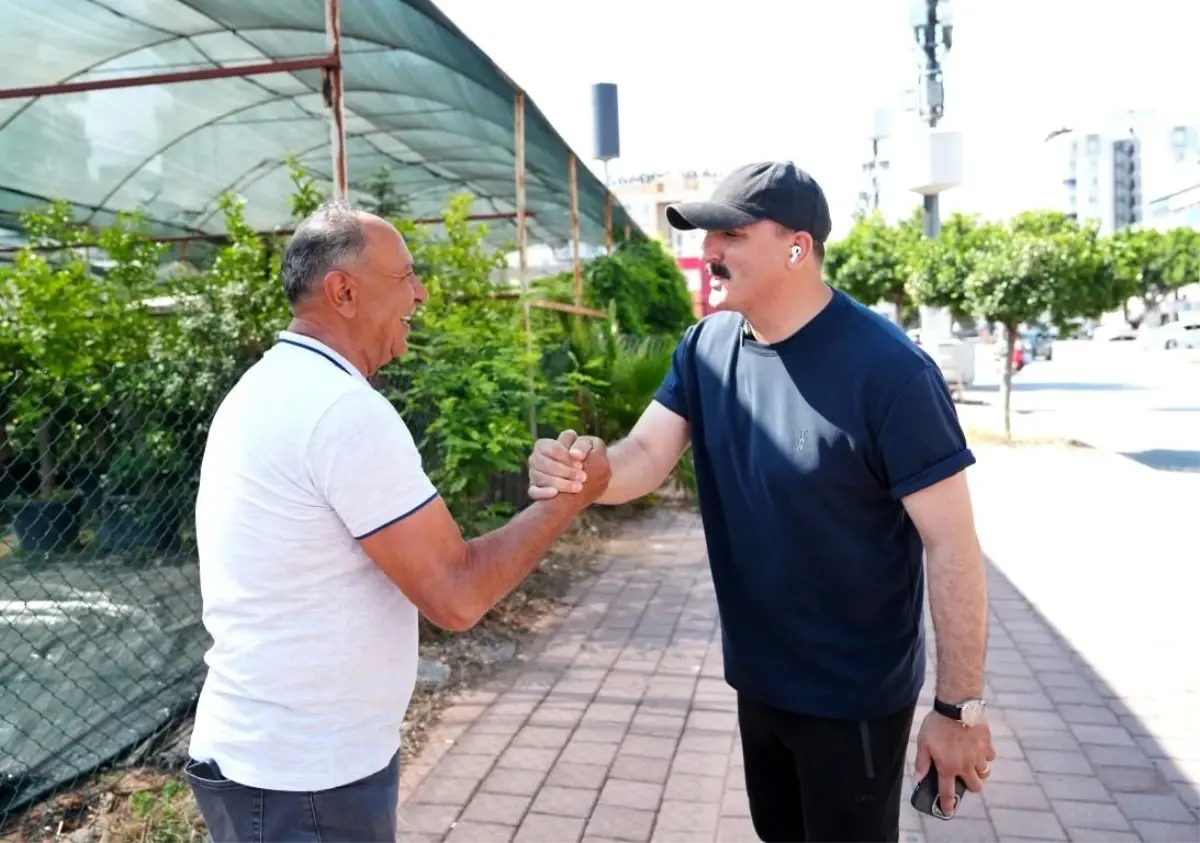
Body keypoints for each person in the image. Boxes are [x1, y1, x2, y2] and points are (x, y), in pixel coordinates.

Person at [527, 162, 994, 842]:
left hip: (853, 700)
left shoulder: (891, 372)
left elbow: (952, 543)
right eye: (707, 234)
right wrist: (588, 472)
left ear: (797, 247)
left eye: (731, 234)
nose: (708, 251)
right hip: (761, 684)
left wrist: (958, 708)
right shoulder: (708, 347)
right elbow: (645, 458)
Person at [186, 202, 610, 843]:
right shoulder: (340, 410)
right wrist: (567, 500)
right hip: (307, 782)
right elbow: (457, 594)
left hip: (270, 762)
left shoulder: (268, 386)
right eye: (405, 276)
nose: (422, 292)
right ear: (345, 291)